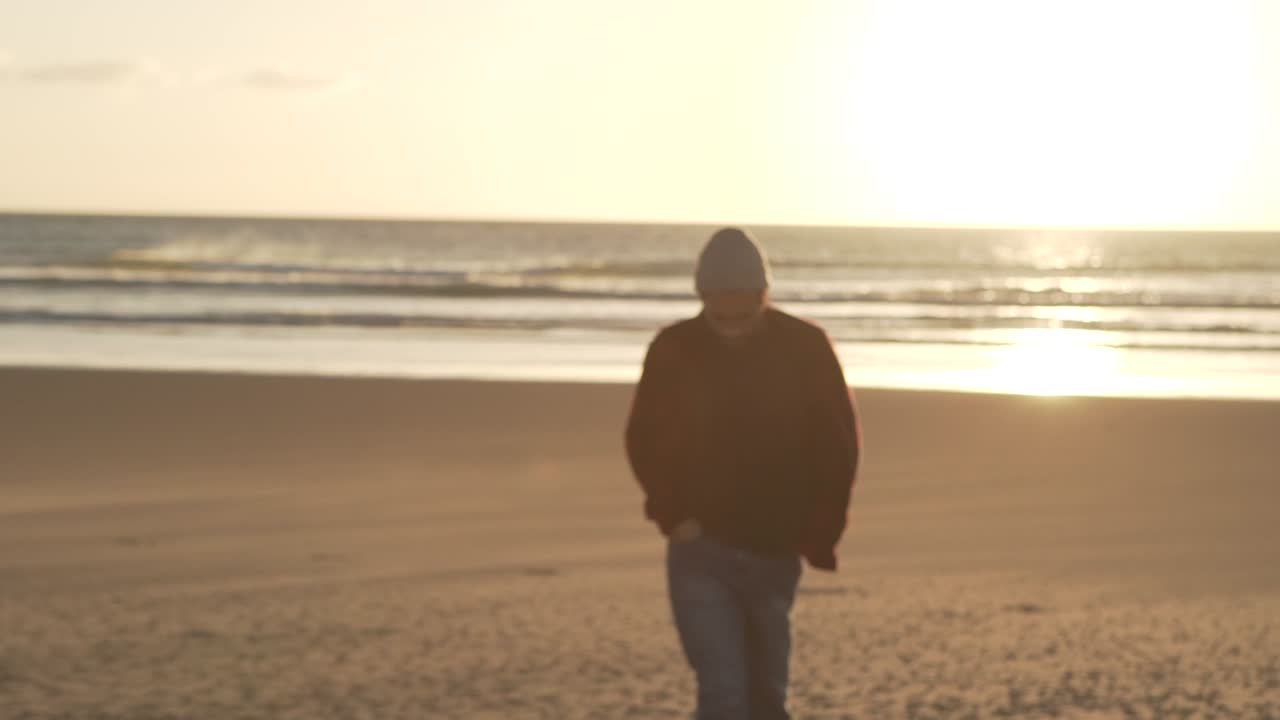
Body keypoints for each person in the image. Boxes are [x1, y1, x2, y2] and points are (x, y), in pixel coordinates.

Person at [625, 226, 861, 720]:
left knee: (767, 700)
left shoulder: (806, 346)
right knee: (723, 696)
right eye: (718, 307)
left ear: (763, 293)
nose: (730, 320)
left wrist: (819, 531)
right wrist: (672, 515)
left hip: (775, 553)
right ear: (702, 295)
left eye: (742, 307)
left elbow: (837, 447)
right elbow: (643, 438)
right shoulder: (674, 347)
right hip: (698, 550)